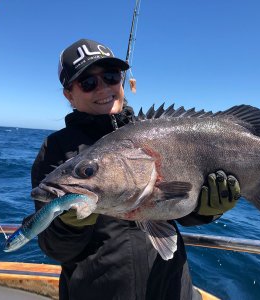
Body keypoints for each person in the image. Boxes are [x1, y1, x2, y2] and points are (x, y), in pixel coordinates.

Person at [31, 38, 241, 300]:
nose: (103, 88)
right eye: (87, 83)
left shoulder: (153, 132)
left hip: (172, 290)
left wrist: (207, 210)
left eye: (110, 76)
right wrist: (69, 226)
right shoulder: (56, 149)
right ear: (69, 95)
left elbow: (177, 211)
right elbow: (54, 248)